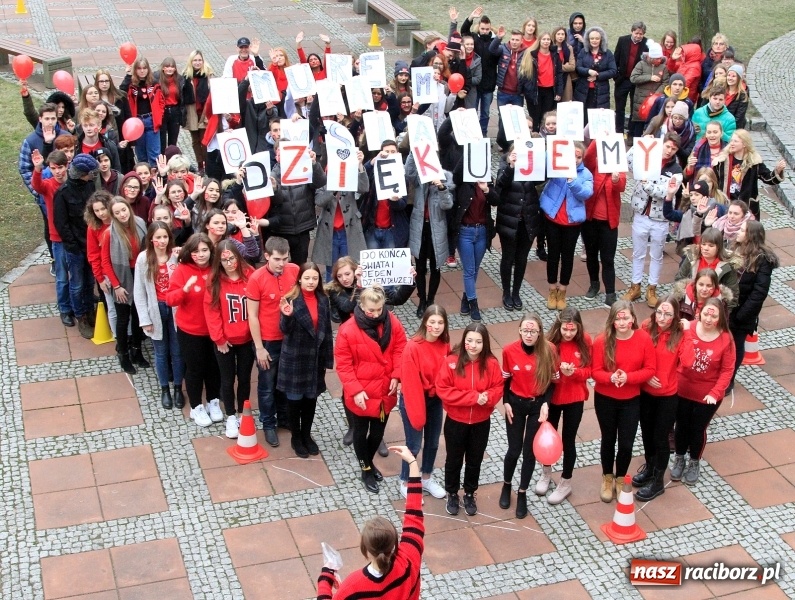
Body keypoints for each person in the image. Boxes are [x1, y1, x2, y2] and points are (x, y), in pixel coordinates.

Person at [316, 445, 423, 600]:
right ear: (393, 543)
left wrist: (325, 578)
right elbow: (414, 514)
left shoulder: (353, 586)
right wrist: (412, 463)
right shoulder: (409, 559)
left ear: (365, 550)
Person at [334, 285, 407, 494]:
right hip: (362, 393)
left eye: (379, 310)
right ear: (362, 306)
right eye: (371, 311)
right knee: (360, 432)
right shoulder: (347, 330)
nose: (375, 314)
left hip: (384, 391)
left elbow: (401, 348)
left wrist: (397, 375)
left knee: (377, 433)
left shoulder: (392, 321)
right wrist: (355, 390)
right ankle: (366, 469)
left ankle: (368, 463)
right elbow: (344, 364)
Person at [436, 323, 503, 516]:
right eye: (469, 340)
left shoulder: (491, 363)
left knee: (475, 460)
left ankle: (470, 493)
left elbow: (498, 387)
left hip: (481, 422)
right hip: (456, 421)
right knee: (453, 459)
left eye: (478, 342)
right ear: (464, 340)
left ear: (485, 343)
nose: (473, 345)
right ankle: (452, 493)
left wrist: (487, 398)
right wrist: (473, 397)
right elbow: (443, 389)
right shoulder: (452, 361)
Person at [591, 301, 655, 502]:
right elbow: (595, 371)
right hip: (605, 398)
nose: (622, 322)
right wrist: (610, 377)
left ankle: (620, 478)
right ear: (612, 321)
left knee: (626, 443)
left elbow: (650, 369)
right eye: (618, 318)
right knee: (608, 439)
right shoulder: (602, 341)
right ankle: (607, 477)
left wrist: (629, 377)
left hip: (631, 399)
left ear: (633, 319)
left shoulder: (643, 338)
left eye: (626, 317)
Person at [672, 299, 735, 485]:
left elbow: (727, 370)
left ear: (720, 318)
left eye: (714, 316)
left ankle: (694, 461)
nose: (708, 319)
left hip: (707, 394)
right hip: (682, 389)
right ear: (699, 312)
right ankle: (679, 457)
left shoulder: (726, 339)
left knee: (697, 428)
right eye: (706, 314)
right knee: (681, 425)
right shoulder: (687, 328)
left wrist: (715, 393)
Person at [499, 313, 556, 518]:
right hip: (515, 403)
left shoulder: (549, 350)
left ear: (539, 332)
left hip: (536, 405)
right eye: (525, 330)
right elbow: (505, 380)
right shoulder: (509, 350)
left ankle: (522, 492)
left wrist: (546, 403)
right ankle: (506, 485)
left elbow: (552, 381)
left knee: (529, 452)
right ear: (520, 331)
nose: (529, 335)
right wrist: (505, 401)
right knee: (514, 450)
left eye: (533, 331)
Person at [277, 262, 334, 457]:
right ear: (299, 279)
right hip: (296, 359)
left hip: (314, 359)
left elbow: (326, 331)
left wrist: (327, 359)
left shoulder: (323, 300)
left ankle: (307, 435)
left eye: (315, 278)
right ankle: (296, 437)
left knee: (311, 399)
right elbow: (284, 330)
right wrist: (287, 316)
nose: (311, 282)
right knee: (295, 401)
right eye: (307, 278)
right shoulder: (291, 299)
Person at [166, 233, 223, 428]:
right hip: (190, 331)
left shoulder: (216, 268)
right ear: (189, 253)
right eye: (196, 251)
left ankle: (213, 401)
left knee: (214, 368)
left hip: (214, 329)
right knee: (195, 369)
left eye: (205, 250)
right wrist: (184, 290)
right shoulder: (182, 270)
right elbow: (170, 299)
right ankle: (196, 406)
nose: (201, 255)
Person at [246, 237, 298, 446]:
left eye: (285, 259)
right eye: (277, 259)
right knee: (267, 385)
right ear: (266, 256)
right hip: (268, 340)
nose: (282, 264)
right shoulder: (256, 278)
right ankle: (268, 423)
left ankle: (284, 417)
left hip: (290, 338)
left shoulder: (295, 270)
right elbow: (252, 315)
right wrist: (259, 347)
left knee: (286, 382)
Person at [633, 296, 684, 501]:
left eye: (667, 314)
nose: (662, 318)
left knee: (660, 438)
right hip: (646, 392)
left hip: (667, 395)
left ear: (675, 316)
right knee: (646, 434)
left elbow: (686, 362)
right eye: (659, 313)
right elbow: (637, 354)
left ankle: (658, 480)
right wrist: (645, 375)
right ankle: (650, 467)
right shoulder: (647, 326)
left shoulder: (680, 335)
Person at [203, 240, 256, 439]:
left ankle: (242, 412)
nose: (229, 263)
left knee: (244, 378)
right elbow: (212, 312)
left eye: (232, 258)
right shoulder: (214, 281)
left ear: (238, 257)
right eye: (224, 260)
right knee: (227, 379)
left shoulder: (250, 275)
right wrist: (219, 339)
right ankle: (231, 415)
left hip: (247, 339)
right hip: (225, 341)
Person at [624, 132, 683, 308]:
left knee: (656, 255)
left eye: (674, 149)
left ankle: (652, 289)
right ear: (661, 144)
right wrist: (639, 145)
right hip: (641, 214)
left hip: (661, 219)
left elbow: (665, 192)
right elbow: (628, 161)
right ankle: (635, 286)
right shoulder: (648, 158)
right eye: (667, 146)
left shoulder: (676, 170)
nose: (669, 150)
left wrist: (646, 184)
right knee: (638, 253)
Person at [398, 305, 450, 499]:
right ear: (425, 323)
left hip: (434, 399)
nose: (436, 326)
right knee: (413, 444)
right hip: (414, 398)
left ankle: (426, 477)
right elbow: (410, 383)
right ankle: (405, 480)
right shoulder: (413, 347)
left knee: (433, 442)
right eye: (432, 322)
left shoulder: (444, 344)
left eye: (440, 322)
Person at [134, 221, 184, 409]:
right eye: (158, 237)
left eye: (165, 237)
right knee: (161, 352)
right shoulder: (143, 259)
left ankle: (178, 387)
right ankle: (165, 389)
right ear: (151, 239)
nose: (162, 241)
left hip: (175, 309)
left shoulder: (176, 256)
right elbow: (139, 291)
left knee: (177, 351)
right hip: (156, 310)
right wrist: (144, 319)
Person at [544, 307, 592, 504]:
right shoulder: (550, 343)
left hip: (575, 397)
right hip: (554, 398)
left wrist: (575, 373)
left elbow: (589, 370)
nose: (568, 333)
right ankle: (546, 473)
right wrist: (557, 371)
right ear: (559, 326)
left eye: (572, 330)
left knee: (568, 440)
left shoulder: (585, 341)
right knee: (548, 438)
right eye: (565, 329)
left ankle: (565, 482)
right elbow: (543, 369)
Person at [540, 141, 594, 310]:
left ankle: (562, 290)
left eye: (579, 157)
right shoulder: (557, 168)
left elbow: (586, 193)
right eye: (573, 156)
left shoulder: (586, 174)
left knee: (567, 256)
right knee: (553, 255)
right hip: (553, 218)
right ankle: (552, 289)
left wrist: (572, 181)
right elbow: (544, 163)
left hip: (572, 222)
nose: (576, 160)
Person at [53, 153, 100, 339]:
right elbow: (61, 224)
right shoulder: (62, 193)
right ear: (82, 174)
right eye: (90, 173)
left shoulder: (89, 186)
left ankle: (89, 311)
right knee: (77, 284)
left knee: (89, 282)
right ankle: (81, 316)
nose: (92, 176)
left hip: (90, 245)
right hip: (75, 249)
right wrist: (73, 245)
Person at [728, 221, 779, 387]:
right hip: (727, 308)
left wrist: (741, 315)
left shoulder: (762, 261)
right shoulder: (734, 250)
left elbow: (759, 293)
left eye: (742, 230)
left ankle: (729, 380)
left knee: (736, 346)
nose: (738, 231)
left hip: (742, 313)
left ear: (751, 236)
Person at [101, 197, 148, 374]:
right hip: (122, 277)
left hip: (139, 274)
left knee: (138, 315)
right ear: (113, 215)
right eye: (117, 212)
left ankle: (137, 350)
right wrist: (116, 286)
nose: (122, 214)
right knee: (123, 318)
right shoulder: (109, 233)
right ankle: (123, 354)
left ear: (128, 208)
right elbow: (105, 262)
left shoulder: (140, 223)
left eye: (124, 210)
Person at [406, 152, 454, 318]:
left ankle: (431, 299)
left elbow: (447, 205)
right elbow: (408, 172)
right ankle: (422, 300)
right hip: (420, 227)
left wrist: (441, 187)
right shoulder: (420, 177)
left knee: (435, 266)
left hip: (436, 229)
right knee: (419, 266)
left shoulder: (446, 177)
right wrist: (413, 152)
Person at [451, 159, 499, 322]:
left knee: (475, 268)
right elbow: (456, 175)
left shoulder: (486, 180)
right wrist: (467, 153)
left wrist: (486, 189)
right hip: (465, 231)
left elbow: (496, 200)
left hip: (482, 231)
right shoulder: (463, 181)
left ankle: (466, 298)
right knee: (469, 270)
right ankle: (473, 304)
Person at [495, 144, 541, 311]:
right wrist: (511, 167)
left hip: (527, 221)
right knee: (508, 258)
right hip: (509, 221)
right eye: (515, 153)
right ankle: (506, 292)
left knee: (522, 259)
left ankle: (516, 292)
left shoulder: (531, 170)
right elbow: (500, 184)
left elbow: (541, 179)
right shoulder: (505, 168)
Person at [312, 150, 368, 280]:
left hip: (348, 231)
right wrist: (333, 188)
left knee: (349, 267)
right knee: (331, 270)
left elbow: (364, 188)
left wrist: (360, 166)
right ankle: (331, 291)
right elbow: (319, 201)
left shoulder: (349, 179)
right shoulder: (322, 182)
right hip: (329, 233)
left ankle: (349, 291)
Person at [582, 140, 626, 306]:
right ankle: (594, 284)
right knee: (591, 255)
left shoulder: (618, 168)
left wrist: (615, 180)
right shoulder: (593, 167)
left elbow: (621, 186)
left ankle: (610, 292)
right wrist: (598, 138)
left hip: (608, 223)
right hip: (590, 220)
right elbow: (588, 156)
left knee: (608, 259)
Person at [31, 149, 71, 325]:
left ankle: (78, 304)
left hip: (74, 236)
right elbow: (36, 185)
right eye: (53, 168)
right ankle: (64, 308)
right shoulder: (48, 185)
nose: (57, 172)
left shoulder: (73, 183)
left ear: (66, 166)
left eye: (60, 167)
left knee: (78, 275)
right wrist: (37, 168)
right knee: (62, 277)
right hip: (58, 238)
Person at [269, 146, 326, 265]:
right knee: (281, 264)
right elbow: (276, 202)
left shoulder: (304, 168)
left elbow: (320, 182)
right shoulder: (273, 175)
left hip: (303, 227)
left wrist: (314, 164)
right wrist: (274, 189)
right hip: (282, 229)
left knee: (301, 265)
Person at [19, 102, 61, 266]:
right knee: (49, 226)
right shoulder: (30, 141)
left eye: (53, 118)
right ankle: (54, 260)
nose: (50, 122)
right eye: (47, 118)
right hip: (44, 193)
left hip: (64, 190)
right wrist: (36, 191)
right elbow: (24, 168)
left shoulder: (63, 136)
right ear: (40, 119)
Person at [713, 129, 786, 221]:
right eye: (731, 140)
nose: (732, 143)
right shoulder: (722, 160)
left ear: (744, 144)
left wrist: (777, 171)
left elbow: (768, 178)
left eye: (735, 141)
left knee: (747, 229)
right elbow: (713, 180)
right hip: (726, 203)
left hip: (746, 205)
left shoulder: (754, 162)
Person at [675, 227, 740, 307]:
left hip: (714, 308)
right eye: (703, 244)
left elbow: (732, 294)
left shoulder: (728, 266)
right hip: (689, 305)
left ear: (718, 247)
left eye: (711, 246)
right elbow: (679, 280)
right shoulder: (691, 258)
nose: (706, 248)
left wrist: (723, 313)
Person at [460, 7, 499, 136]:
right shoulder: (474, 38)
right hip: (475, 85)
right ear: (479, 27)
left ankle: (483, 134)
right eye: (482, 29)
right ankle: (472, 133)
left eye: (487, 29)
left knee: (485, 113)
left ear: (490, 28)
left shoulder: (494, 41)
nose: (485, 31)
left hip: (489, 84)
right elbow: (464, 31)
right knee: (472, 111)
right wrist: (470, 18)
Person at [120, 57, 165, 166]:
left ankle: (155, 173)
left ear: (148, 69)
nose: (142, 71)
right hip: (137, 121)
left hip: (151, 120)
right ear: (135, 69)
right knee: (141, 155)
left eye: (144, 68)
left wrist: (159, 115)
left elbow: (161, 100)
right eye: (139, 68)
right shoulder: (131, 84)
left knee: (154, 155)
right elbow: (121, 92)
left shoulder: (154, 83)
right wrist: (128, 75)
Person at [489, 28, 526, 152]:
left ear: (521, 41)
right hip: (503, 91)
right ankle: (501, 141)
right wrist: (498, 38)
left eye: (517, 40)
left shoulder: (525, 52)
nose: (514, 42)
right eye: (513, 39)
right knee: (502, 117)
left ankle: (514, 142)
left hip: (518, 93)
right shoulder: (504, 48)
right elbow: (492, 49)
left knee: (516, 119)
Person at [613, 22, 648, 136]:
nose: (638, 36)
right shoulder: (622, 40)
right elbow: (616, 58)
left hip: (637, 82)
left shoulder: (646, 44)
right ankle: (619, 132)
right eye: (636, 33)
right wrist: (616, 76)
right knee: (619, 108)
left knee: (634, 108)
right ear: (632, 31)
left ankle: (631, 133)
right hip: (622, 80)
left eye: (641, 34)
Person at [573, 27, 617, 118]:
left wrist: (598, 76)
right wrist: (588, 71)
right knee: (583, 116)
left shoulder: (608, 53)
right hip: (583, 90)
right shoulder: (583, 52)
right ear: (588, 40)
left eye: (597, 38)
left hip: (601, 91)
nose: (594, 41)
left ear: (601, 40)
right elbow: (578, 68)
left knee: (598, 116)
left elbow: (613, 71)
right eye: (592, 38)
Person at [628, 41, 668, 139]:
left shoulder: (663, 68)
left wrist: (656, 95)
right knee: (639, 124)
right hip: (641, 100)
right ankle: (635, 141)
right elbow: (633, 78)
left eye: (660, 58)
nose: (659, 60)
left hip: (655, 100)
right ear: (651, 57)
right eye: (657, 58)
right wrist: (649, 77)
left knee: (652, 125)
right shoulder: (641, 64)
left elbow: (665, 83)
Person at [182, 50, 212, 169]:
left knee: (204, 140)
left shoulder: (208, 75)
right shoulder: (186, 76)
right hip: (192, 112)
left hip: (205, 112)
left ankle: (207, 163)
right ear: (191, 61)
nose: (197, 62)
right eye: (195, 60)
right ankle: (200, 164)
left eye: (200, 60)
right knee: (195, 141)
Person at [552, 27, 576, 102]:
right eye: (558, 34)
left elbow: (572, 66)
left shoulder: (569, 48)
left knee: (565, 101)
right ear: (554, 35)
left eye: (562, 34)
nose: (560, 36)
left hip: (565, 78)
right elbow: (549, 66)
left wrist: (557, 67)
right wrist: (565, 66)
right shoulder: (550, 47)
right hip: (552, 78)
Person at [725, 64, 748, 130]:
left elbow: (739, 116)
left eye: (733, 76)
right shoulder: (722, 90)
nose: (730, 78)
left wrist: (730, 127)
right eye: (729, 75)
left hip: (733, 127)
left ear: (739, 78)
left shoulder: (743, 95)